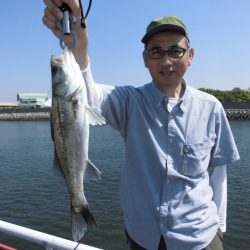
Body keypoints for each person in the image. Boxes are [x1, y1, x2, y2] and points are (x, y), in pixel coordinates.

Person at [43, 1, 240, 249]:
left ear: (190, 56)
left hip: (200, 237)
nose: (166, 60)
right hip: (142, 238)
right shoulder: (129, 102)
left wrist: (219, 228)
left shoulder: (211, 107)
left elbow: (217, 176)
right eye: (156, 52)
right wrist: (79, 39)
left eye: (175, 51)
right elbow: (90, 96)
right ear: (145, 59)